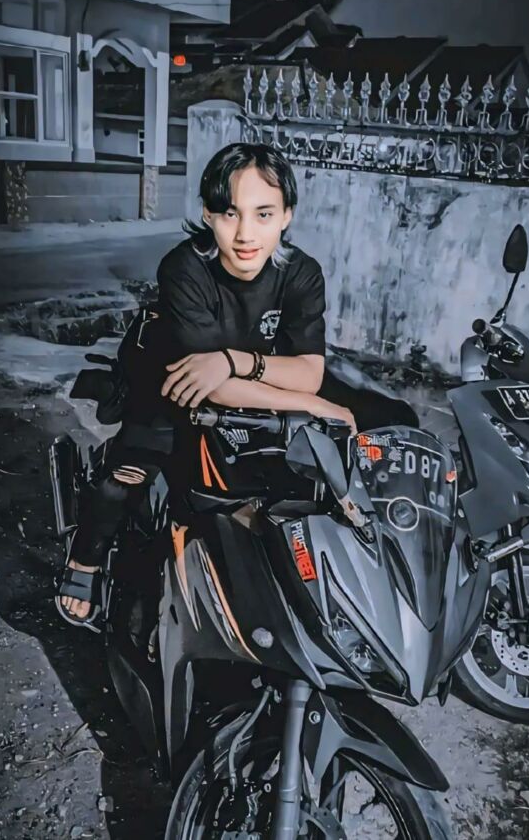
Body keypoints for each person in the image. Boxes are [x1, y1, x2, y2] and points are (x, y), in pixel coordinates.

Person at [55, 142, 417, 630]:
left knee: (388, 425)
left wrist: (235, 362)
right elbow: (209, 387)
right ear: (208, 214)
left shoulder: (301, 274)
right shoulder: (184, 267)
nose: (246, 234)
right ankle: (85, 561)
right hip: (169, 382)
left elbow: (309, 371)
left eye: (263, 214)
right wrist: (311, 404)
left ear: (286, 215)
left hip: (246, 375)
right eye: (230, 213)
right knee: (125, 478)